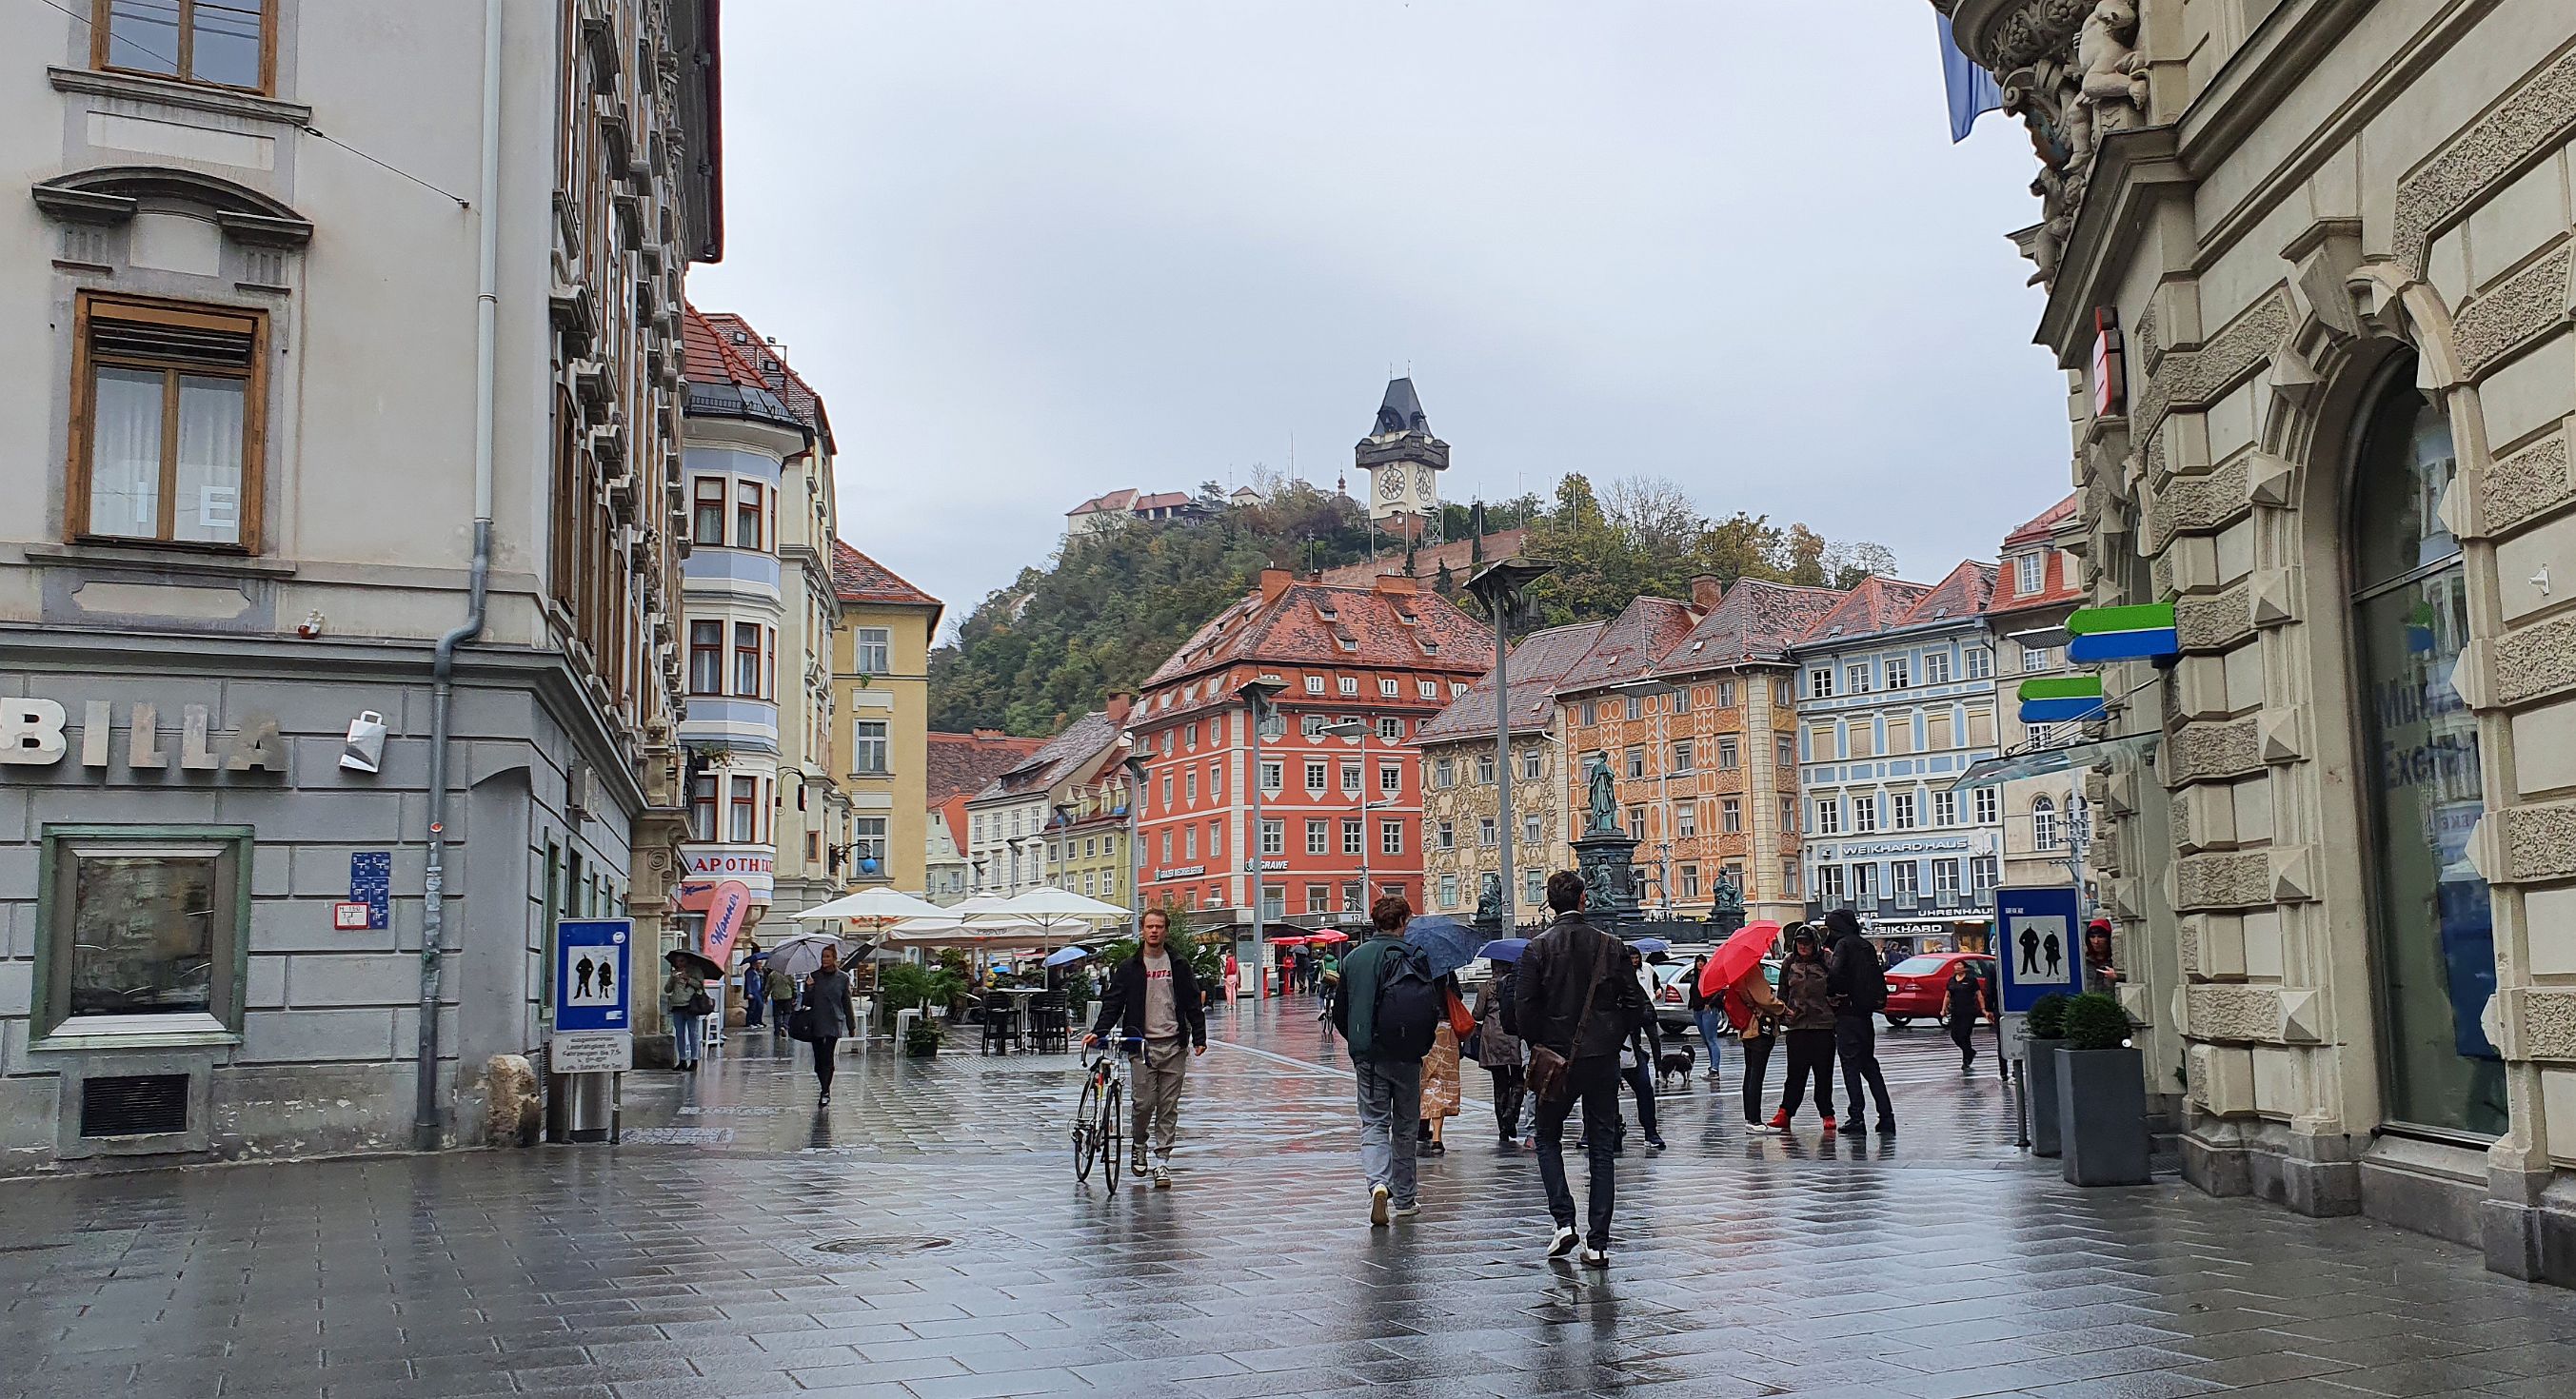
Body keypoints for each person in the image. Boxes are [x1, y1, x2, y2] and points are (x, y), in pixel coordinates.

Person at [1515, 870, 1647, 1270]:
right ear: (1585, 898)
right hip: (1602, 1058)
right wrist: (1611, 1035)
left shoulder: (1537, 949)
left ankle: (1563, 1220)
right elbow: (1634, 1004)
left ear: (1550, 903)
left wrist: (1544, 1042)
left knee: (1547, 1136)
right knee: (1602, 1145)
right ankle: (1599, 1241)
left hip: (1556, 1059)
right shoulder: (1611, 946)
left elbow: (1524, 1011)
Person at [1085, 909, 1207, 1189]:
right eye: (1149, 926)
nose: (1154, 931)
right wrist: (1098, 1033)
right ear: (1142, 930)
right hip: (1140, 1045)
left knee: (1168, 1107)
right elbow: (1113, 1003)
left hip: (1174, 1044)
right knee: (1144, 1104)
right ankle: (1139, 1143)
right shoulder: (1130, 967)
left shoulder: (1178, 963)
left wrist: (1199, 1036)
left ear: (1166, 930)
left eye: (1159, 926)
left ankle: (1162, 1162)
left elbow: (1191, 1001)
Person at [1332, 894, 1431, 1226]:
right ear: (1404, 922)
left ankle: (1377, 1183)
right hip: (1408, 1054)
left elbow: (1340, 1012)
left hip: (1370, 1056)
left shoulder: (1354, 958)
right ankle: (1405, 1199)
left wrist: (1358, 1041)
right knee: (1405, 1128)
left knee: (1374, 1122)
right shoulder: (1415, 955)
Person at [1822, 908, 1895, 1134]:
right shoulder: (1865, 946)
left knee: (1850, 1067)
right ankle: (1886, 1116)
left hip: (1847, 1013)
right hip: (1865, 1015)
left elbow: (1834, 976)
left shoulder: (1843, 945)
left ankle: (1857, 1117)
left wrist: (1833, 991)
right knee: (1870, 1066)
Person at [1768, 926, 1837, 1133]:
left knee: (1823, 1072)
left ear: (1814, 943)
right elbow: (1783, 990)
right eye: (1799, 943)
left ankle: (1827, 1112)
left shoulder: (1827, 959)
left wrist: (1834, 1005)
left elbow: (1837, 985)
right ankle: (1785, 1112)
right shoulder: (1790, 961)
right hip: (1797, 1025)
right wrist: (1782, 1011)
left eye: (1806, 943)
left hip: (1822, 1025)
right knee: (1795, 1073)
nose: (1803, 947)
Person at [1726, 957, 1791, 1129]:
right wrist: (1783, 1007)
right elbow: (1765, 999)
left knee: (1750, 1072)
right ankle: (1755, 1120)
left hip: (1747, 1026)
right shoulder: (1751, 970)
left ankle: (1750, 1117)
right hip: (1759, 1026)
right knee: (1757, 1074)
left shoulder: (1738, 969)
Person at [1612, 947, 1666, 1152]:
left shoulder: (1632, 987)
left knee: (1644, 1088)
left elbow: (1649, 1014)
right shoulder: (1595, 986)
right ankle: (1597, 1132)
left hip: (1630, 1048)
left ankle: (1650, 1131)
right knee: (1600, 1093)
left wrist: (1630, 1012)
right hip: (1604, 1048)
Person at [1472, 967, 1526, 1146]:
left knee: (1499, 1082)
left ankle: (1503, 1127)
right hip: (1513, 1035)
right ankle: (1512, 1111)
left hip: (1492, 1037)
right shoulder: (1516, 984)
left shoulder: (1486, 987)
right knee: (1518, 1078)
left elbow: (1478, 1014)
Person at [800, 945, 859, 1105]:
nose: (825, 959)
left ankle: (825, 1091)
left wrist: (851, 1025)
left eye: (827, 956)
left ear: (834, 958)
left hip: (834, 1021)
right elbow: (806, 1002)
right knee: (819, 1060)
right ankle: (823, 1085)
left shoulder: (843, 978)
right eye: (823, 957)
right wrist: (810, 987)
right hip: (816, 1021)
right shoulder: (814, 976)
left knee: (828, 1057)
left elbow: (846, 1002)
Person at [1418, 973, 1462, 1154]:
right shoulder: (1446, 970)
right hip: (1445, 1030)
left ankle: (1421, 1126)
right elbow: (1457, 996)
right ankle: (1436, 1136)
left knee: (1424, 1079)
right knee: (1441, 1082)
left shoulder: (1413, 967)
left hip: (1420, 1028)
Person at [1945, 959, 1992, 1073]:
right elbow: (1947, 995)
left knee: (1965, 1035)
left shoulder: (1971, 980)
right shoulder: (1951, 980)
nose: (1957, 967)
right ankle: (1970, 1052)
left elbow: (1979, 995)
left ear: (1965, 967)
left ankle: (1966, 1060)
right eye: (1955, 965)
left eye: (1959, 965)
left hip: (1968, 1011)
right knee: (1955, 1035)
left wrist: (1983, 1010)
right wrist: (1944, 1009)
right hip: (1955, 1011)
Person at [663, 959, 707, 1073]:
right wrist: (673, 979)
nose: (679, 963)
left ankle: (694, 1060)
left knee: (693, 1033)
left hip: (691, 1006)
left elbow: (700, 986)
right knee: (680, 1034)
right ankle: (682, 1060)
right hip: (677, 1006)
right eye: (677, 961)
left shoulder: (695, 971)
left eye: (682, 961)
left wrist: (688, 979)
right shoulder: (674, 973)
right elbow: (667, 989)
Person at [1687, 953, 1725, 1083]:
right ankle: (1712, 1066)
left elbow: (1719, 991)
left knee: (1712, 1039)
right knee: (1707, 1040)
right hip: (1697, 1010)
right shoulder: (1695, 977)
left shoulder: (1710, 975)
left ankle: (1715, 1069)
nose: (1700, 963)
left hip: (1708, 1010)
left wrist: (1710, 1004)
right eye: (1698, 961)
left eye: (1702, 961)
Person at [2085, 920, 2122, 994]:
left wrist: (2117, 978)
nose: (2096, 941)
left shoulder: (2118, 961)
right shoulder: (2083, 962)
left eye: (2100, 936)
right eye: (2092, 937)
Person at [767, 960, 798, 1038]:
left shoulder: (772, 974)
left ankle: (777, 1031)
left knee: (777, 1015)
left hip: (776, 997)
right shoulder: (789, 974)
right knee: (787, 1013)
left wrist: (765, 996)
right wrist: (795, 996)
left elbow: (768, 987)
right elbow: (794, 985)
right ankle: (784, 1026)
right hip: (787, 996)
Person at [740, 949, 764, 1029]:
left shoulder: (758, 971)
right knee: (752, 1008)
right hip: (753, 992)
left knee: (759, 1007)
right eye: (759, 963)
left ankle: (757, 1021)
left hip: (758, 992)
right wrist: (749, 993)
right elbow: (749, 983)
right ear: (755, 963)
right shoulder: (749, 972)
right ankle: (750, 1022)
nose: (760, 964)